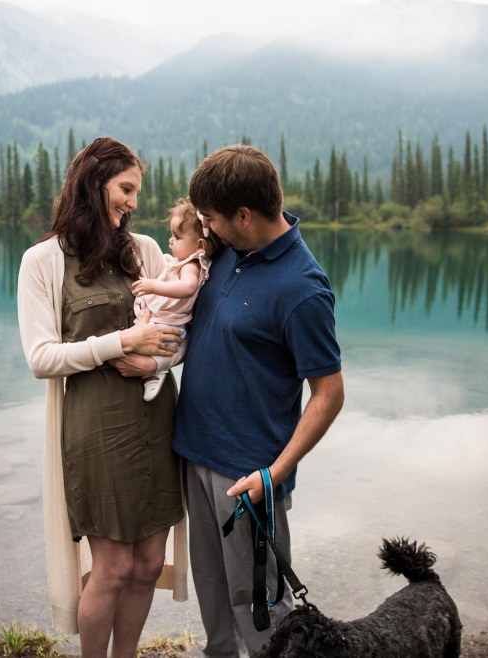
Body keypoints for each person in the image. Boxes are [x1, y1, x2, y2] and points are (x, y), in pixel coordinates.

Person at [17, 136, 189, 658]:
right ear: (94, 184)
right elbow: (40, 357)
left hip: (157, 421)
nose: (133, 203)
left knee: (145, 563)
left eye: (136, 192)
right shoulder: (42, 261)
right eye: (126, 189)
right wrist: (121, 342)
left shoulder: (146, 253)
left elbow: (181, 333)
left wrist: (155, 360)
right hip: (95, 428)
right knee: (112, 567)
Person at [173, 144, 345, 657]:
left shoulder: (303, 289)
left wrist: (274, 473)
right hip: (195, 456)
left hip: (248, 477)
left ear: (244, 215)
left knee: (263, 617)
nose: (206, 229)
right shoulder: (227, 253)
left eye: (211, 220)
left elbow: (330, 394)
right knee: (214, 605)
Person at [131, 198, 220, 402]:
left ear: (199, 245)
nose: (170, 241)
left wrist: (153, 286)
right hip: (165, 318)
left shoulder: (192, 265)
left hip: (169, 321)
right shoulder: (185, 262)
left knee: (150, 340)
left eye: (177, 237)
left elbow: (187, 288)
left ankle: (155, 372)